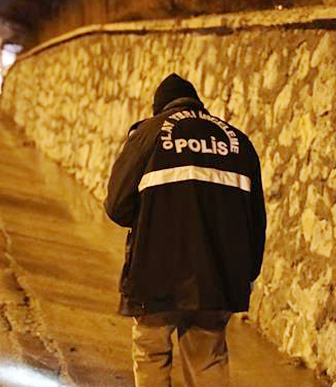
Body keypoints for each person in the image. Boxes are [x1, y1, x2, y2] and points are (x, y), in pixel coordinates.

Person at [104, 73, 267, 387]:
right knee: (207, 360)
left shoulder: (149, 134)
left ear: (159, 108)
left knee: (151, 354)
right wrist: (245, 273)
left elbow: (117, 207)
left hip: (155, 271)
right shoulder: (237, 141)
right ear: (198, 104)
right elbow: (255, 220)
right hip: (216, 275)